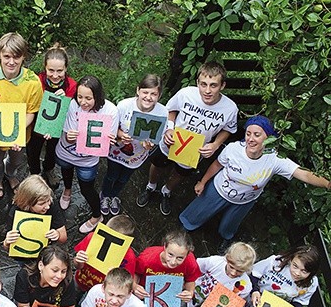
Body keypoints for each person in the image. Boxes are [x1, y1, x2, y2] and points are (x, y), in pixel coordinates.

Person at [180, 115, 331, 252]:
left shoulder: (275, 158)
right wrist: (203, 182)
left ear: (268, 138)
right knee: (197, 212)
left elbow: (303, 173)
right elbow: (217, 165)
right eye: (248, 134)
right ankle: (187, 226)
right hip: (219, 190)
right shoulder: (233, 150)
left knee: (230, 225)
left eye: (257, 135)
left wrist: (327, 184)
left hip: (245, 201)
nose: (250, 139)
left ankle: (226, 238)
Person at [136, 62, 238, 216]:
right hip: (172, 141)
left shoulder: (230, 108)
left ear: (222, 85)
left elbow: (229, 129)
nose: (207, 90)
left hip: (195, 149)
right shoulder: (186, 94)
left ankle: (166, 191)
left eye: (213, 85)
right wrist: (169, 127)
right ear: (197, 82)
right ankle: (151, 186)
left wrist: (216, 144)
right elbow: (171, 110)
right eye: (203, 84)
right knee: (157, 163)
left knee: (181, 173)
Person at [0, 32, 43, 199]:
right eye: (6, 56)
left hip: (18, 135)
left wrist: (16, 132)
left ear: (24, 57)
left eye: (17, 57)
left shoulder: (33, 82)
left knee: (15, 160)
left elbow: (31, 113)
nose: (11, 62)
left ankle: (11, 174)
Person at [55, 75, 119, 233]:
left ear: (97, 97)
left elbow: (107, 143)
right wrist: (69, 137)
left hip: (88, 160)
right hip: (66, 152)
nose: (83, 102)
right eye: (80, 97)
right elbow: (68, 138)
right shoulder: (72, 105)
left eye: (88, 98)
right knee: (66, 171)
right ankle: (67, 190)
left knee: (87, 188)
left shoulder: (110, 110)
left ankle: (97, 216)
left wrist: (110, 140)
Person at [101, 74, 167, 216]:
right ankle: (105, 195)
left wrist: (151, 145)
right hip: (116, 152)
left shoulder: (162, 112)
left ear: (159, 95)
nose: (148, 97)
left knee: (124, 178)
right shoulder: (124, 105)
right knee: (111, 175)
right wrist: (120, 134)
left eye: (154, 94)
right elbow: (112, 126)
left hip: (137, 155)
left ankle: (114, 196)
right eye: (145, 92)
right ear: (138, 90)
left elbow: (158, 136)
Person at [133, 230, 201, 307]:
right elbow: (136, 272)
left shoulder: (190, 262)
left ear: (188, 254)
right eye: (170, 255)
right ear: (164, 247)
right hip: (147, 293)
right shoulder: (147, 258)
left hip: (172, 295)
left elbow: (190, 279)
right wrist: (134, 286)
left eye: (180, 258)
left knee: (184, 305)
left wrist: (190, 292)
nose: (173, 261)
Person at [29, 43, 78, 187]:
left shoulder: (71, 85)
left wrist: (65, 99)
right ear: (45, 67)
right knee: (33, 149)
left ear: (66, 69)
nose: (55, 75)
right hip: (36, 124)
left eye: (59, 71)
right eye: (51, 70)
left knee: (53, 150)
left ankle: (49, 170)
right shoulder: (36, 81)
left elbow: (73, 110)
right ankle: (34, 173)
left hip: (58, 126)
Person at [185, 242, 256, 307]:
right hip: (195, 293)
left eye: (239, 271)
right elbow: (196, 267)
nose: (233, 272)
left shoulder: (245, 286)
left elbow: (231, 306)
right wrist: (188, 283)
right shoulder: (215, 262)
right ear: (227, 258)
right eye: (231, 267)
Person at [246, 245, 320, 307]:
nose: (297, 273)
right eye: (295, 266)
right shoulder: (276, 262)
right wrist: (255, 290)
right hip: (251, 297)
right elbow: (254, 273)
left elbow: (300, 300)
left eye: (304, 271)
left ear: (311, 272)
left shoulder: (311, 284)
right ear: (291, 259)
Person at [2, 174, 68, 262]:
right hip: (23, 257)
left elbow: (63, 237)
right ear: (28, 203)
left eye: (48, 200)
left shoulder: (51, 205)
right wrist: (7, 242)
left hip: (45, 255)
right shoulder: (15, 212)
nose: (47, 206)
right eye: (41, 204)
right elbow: (6, 247)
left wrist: (57, 234)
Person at [73, 215, 136, 297]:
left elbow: (126, 282)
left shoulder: (129, 257)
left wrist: (116, 276)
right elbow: (77, 265)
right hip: (80, 280)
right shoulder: (92, 238)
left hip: (102, 293)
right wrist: (78, 261)